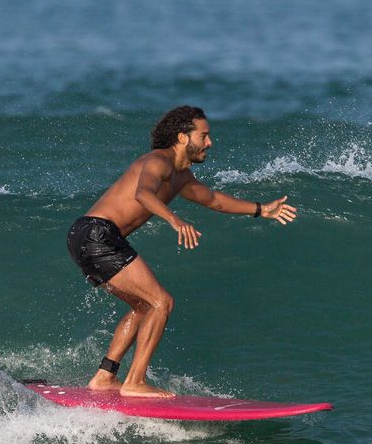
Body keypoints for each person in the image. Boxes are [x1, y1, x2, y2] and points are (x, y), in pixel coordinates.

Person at [67, 105, 297, 398]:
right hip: (97, 234)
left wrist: (261, 209)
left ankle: (104, 376)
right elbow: (143, 193)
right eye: (204, 136)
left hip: (89, 236)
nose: (210, 143)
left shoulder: (181, 177)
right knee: (161, 302)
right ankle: (135, 382)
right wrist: (174, 219)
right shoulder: (158, 161)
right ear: (182, 137)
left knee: (143, 306)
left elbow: (214, 199)